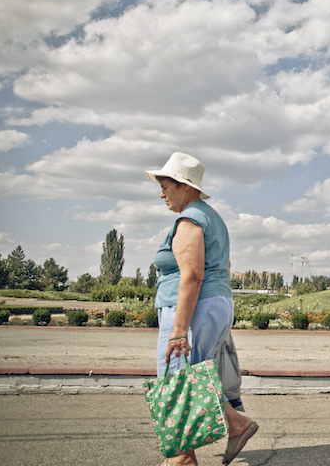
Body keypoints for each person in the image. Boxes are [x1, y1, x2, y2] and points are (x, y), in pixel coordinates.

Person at [146, 152, 258, 466]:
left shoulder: (190, 219)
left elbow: (193, 275)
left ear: (184, 185)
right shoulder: (209, 216)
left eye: (165, 185)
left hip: (192, 310)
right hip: (213, 303)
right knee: (194, 378)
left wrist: (179, 331)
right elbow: (224, 265)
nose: (161, 193)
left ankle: (182, 459)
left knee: (178, 380)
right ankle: (235, 425)